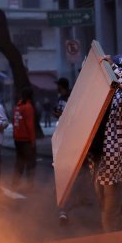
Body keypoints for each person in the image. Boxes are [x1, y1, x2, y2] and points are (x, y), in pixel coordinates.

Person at [88, 55, 122, 232]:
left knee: (110, 209)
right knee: (104, 205)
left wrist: (114, 68)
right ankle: (114, 234)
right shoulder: (104, 93)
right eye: (117, 69)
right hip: (98, 159)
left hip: (114, 161)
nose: (118, 74)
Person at [53, 77, 73, 225]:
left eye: (58, 86)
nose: (57, 88)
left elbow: (69, 115)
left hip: (70, 136)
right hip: (62, 136)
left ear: (62, 86)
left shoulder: (71, 97)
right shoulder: (60, 98)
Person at [12, 86, 37, 191]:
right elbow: (30, 125)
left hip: (17, 139)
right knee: (30, 162)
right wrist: (33, 140)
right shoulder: (28, 107)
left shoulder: (17, 106)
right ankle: (30, 185)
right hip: (26, 139)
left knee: (20, 161)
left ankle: (15, 183)